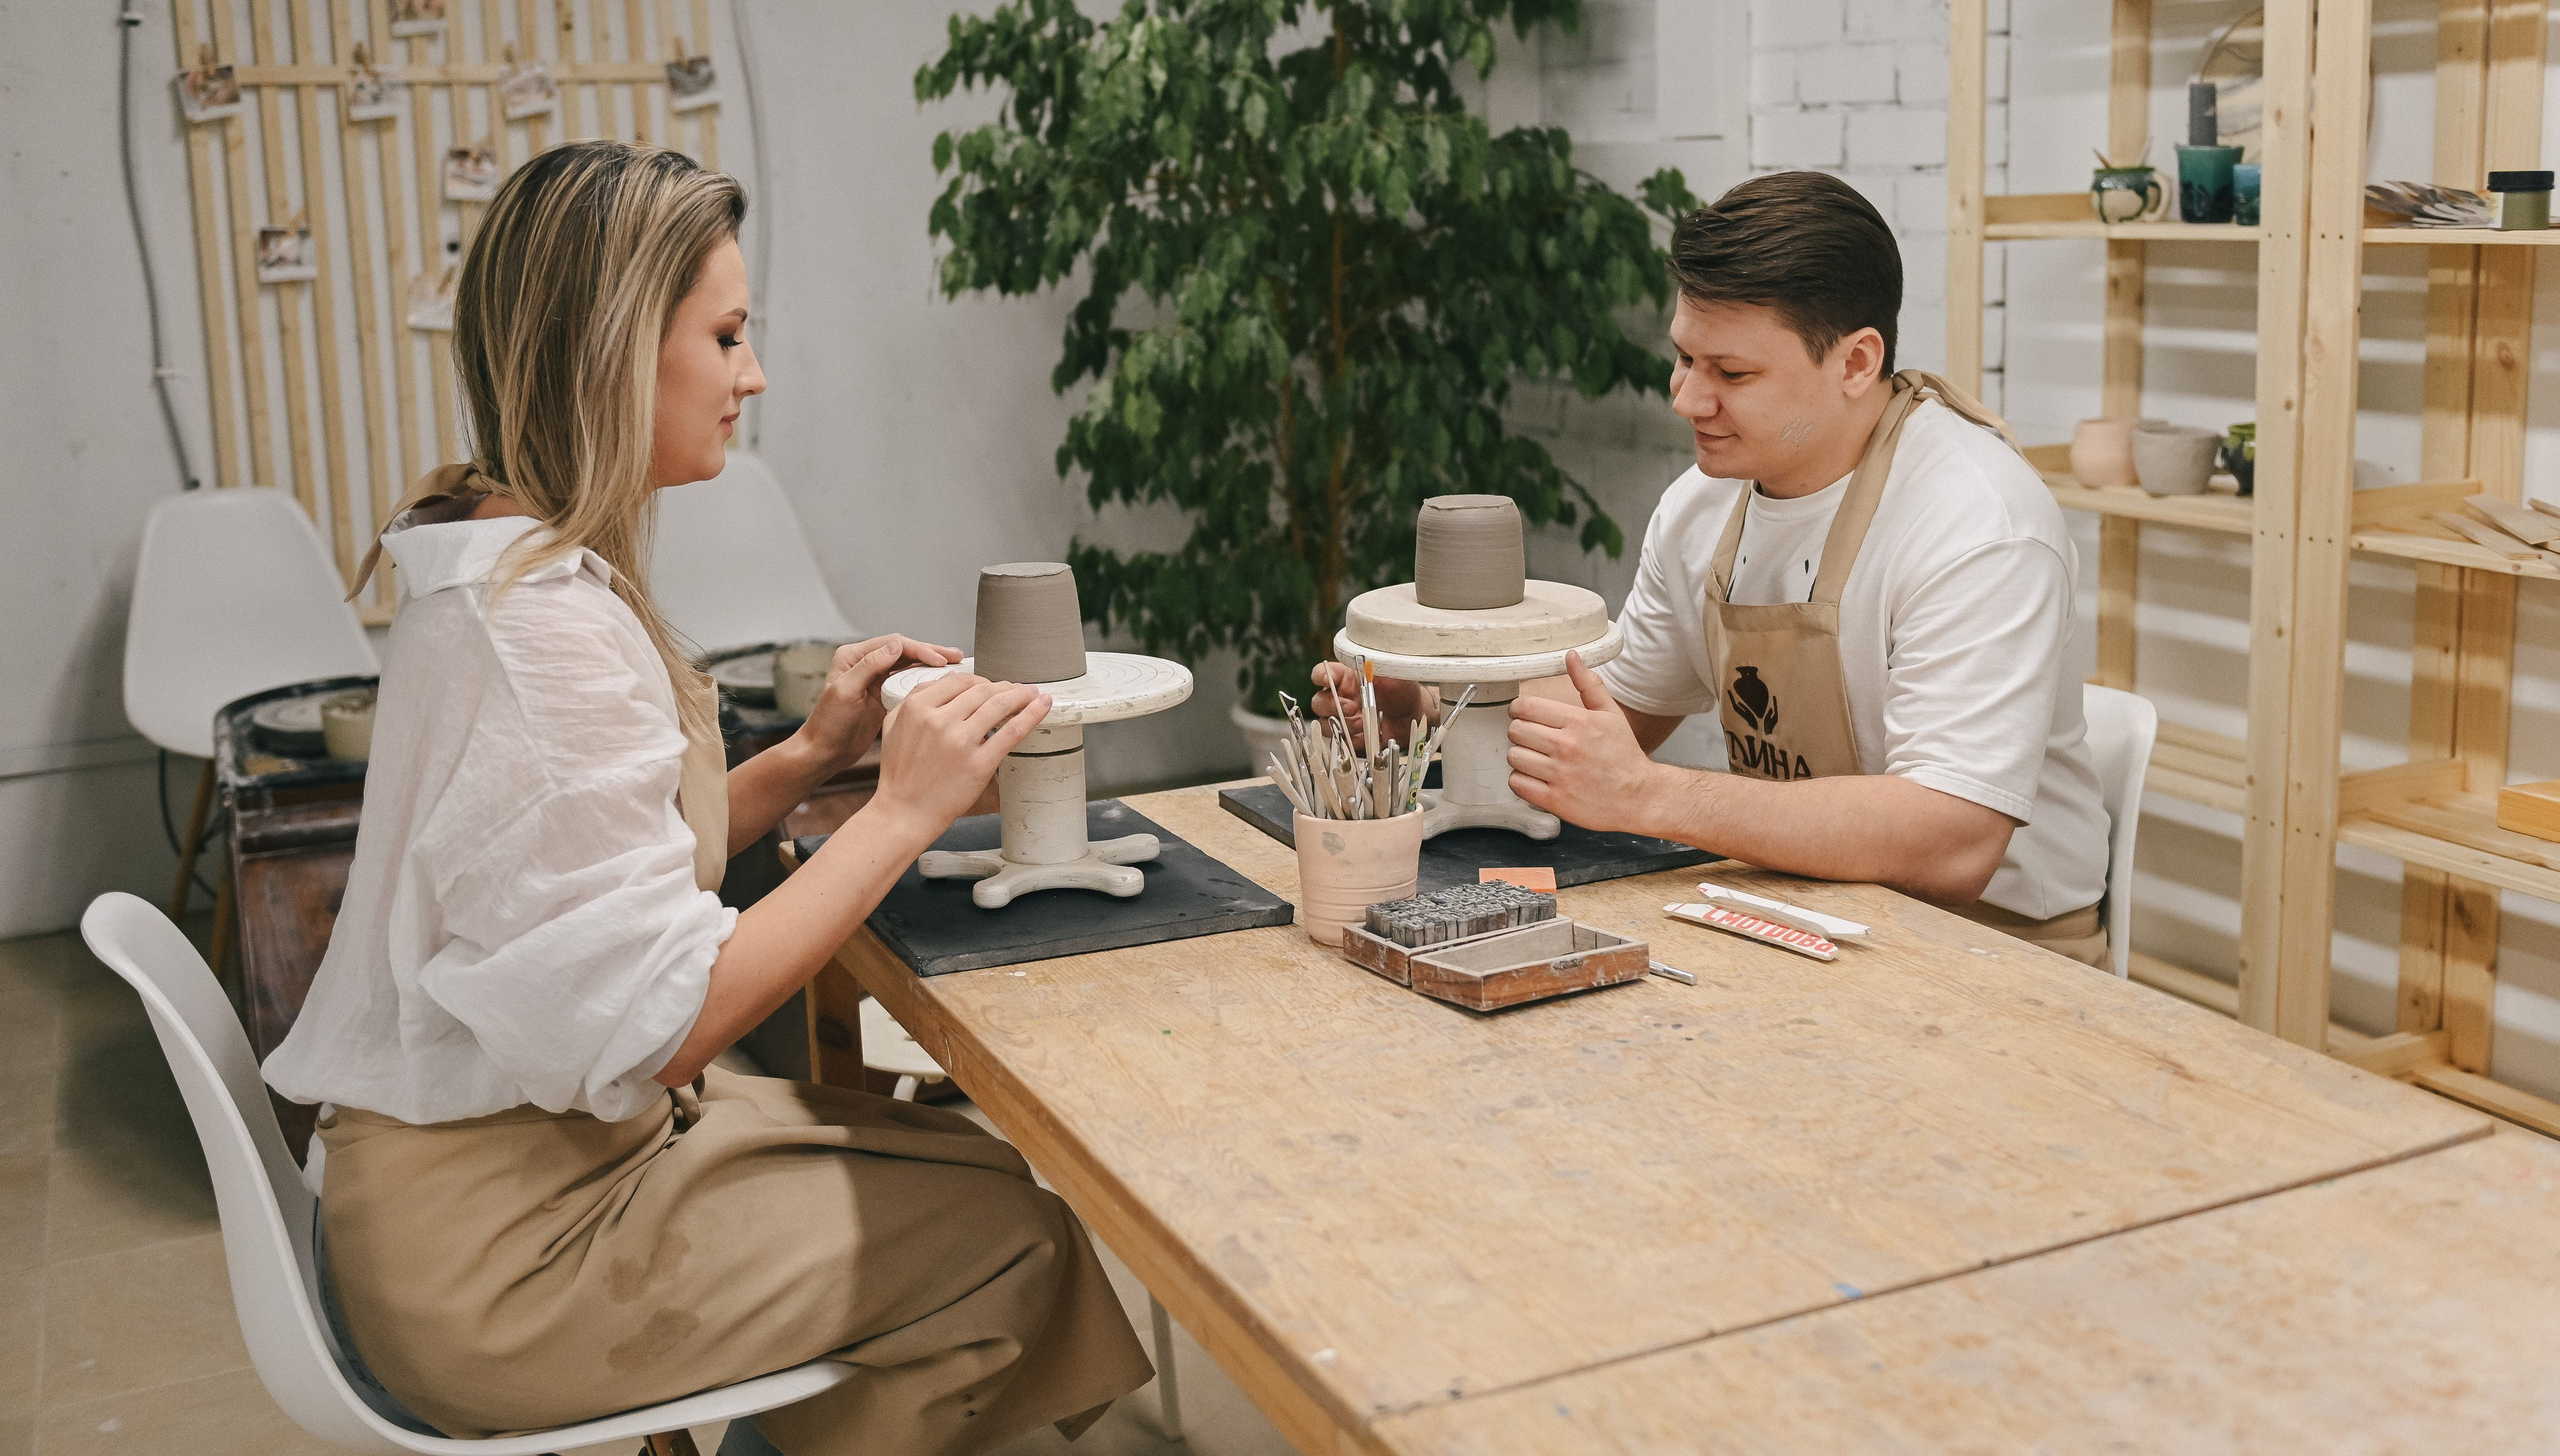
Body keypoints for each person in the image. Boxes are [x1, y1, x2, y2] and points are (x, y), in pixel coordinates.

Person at [263, 142, 1151, 1456]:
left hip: (499, 1160)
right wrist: (903, 809)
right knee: (1006, 1239)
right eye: (726, 335)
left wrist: (805, 758)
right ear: (618, 350)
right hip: (501, 1256)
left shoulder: (514, 560)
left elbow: (595, 865)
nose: (754, 374)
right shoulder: (537, 635)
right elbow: (666, 1021)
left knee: (965, 1163)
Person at [1317, 172, 2110, 961]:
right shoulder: (1704, 503)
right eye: (1683, 358)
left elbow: (1954, 842)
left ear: (1857, 362)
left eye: (1732, 374)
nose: (1686, 399)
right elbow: (1619, 711)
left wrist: (1651, 795)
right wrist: (1437, 713)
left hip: (1991, 952)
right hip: (1789, 909)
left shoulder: (1977, 524)